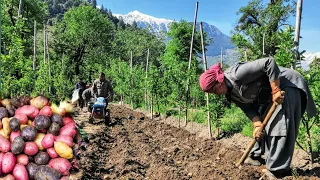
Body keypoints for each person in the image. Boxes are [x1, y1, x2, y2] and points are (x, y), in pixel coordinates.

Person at [199, 57, 317, 179]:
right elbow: (247, 108)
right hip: (266, 97)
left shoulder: (237, 74)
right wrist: (257, 125)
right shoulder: (230, 93)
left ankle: (276, 170)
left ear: (219, 81)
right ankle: (256, 156)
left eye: (213, 90)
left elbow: (269, 62)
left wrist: (276, 90)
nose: (215, 94)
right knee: (262, 128)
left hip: (287, 86)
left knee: (280, 126)